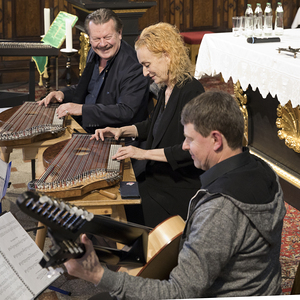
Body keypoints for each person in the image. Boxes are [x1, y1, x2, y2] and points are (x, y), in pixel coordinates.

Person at [65, 90, 286, 298]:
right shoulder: (262, 168)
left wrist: (96, 275)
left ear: (216, 140)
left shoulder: (220, 209)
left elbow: (178, 293)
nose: (184, 146)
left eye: (190, 138)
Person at [92, 22, 205, 227]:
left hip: (177, 188)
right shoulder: (167, 86)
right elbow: (153, 125)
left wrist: (142, 153)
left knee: (117, 209)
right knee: (110, 198)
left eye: (147, 64)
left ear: (167, 55)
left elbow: (189, 151)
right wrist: (120, 131)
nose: (145, 73)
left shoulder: (191, 91)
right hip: (157, 178)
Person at [38, 8, 149, 134]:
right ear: (89, 38)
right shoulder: (94, 52)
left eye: (107, 37)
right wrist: (62, 94)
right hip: (87, 127)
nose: (102, 44)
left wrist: (82, 109)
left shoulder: (133, 66)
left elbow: (125, 111)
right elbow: (89, 89)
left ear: (119, 33)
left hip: (115, 137)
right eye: (96, 39)